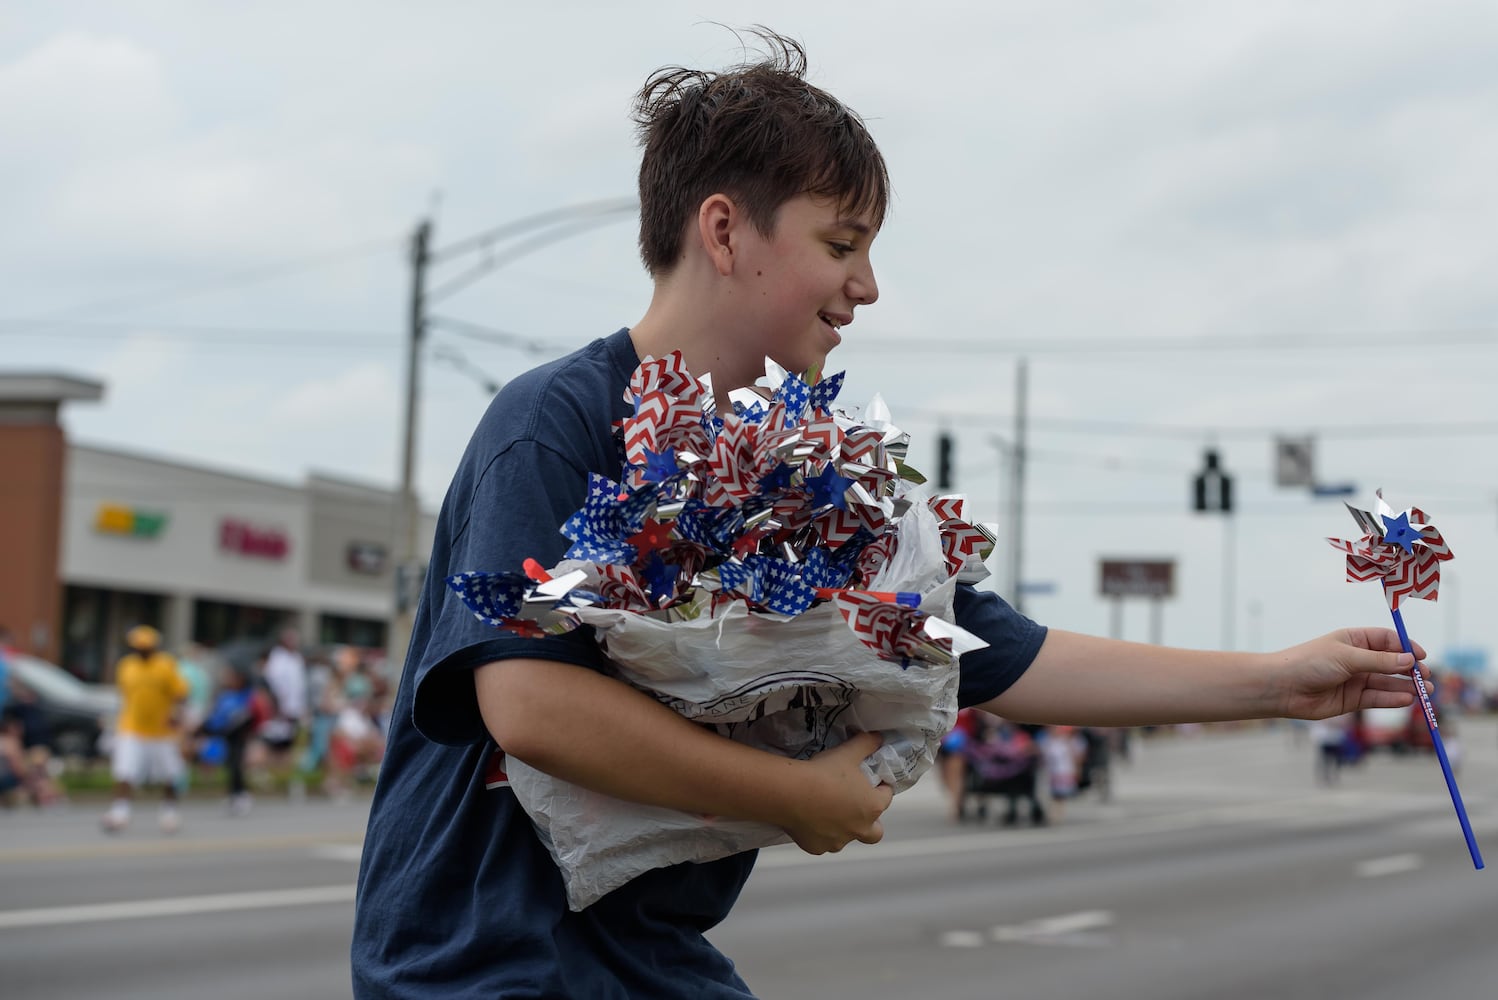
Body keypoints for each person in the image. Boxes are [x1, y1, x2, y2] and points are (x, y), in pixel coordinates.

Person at [351, 32, 1429, 998]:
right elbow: (531, 706)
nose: (867, 284)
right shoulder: (559, 421)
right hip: (481, 964)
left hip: (647, 963)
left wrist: (1278, 682)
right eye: (841, 242)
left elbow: (999, 654)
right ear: (724, 231)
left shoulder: (823, 480)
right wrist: (793, 794)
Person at [101, 625, 190, 834]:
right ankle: (119, 813)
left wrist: (175, 714)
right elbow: (124, 696)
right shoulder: (126, 666)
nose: (142, 651)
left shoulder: (166, 665)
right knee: (124, 771)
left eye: (146, 648)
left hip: (162, 732)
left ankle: (169, 813)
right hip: (132, 728)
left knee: (171, 773)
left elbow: (181, 693)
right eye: (138, 647)